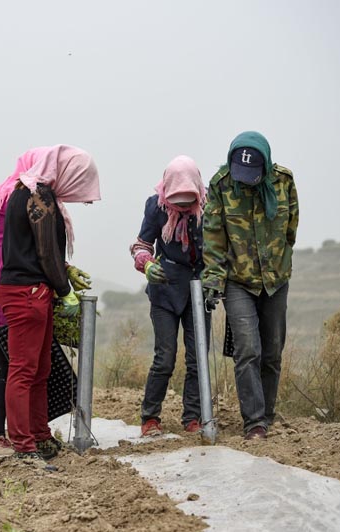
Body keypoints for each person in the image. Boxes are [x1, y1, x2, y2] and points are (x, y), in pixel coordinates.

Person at [0, 147, 94, 459]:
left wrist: (60, 278)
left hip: (30, 289)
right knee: (23, 370)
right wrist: (64, 288)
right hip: (27, 292)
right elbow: (45, 251)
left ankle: (40, 436)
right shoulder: (39, 196)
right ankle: (24, 445)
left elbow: (33, 248)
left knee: (40, 369)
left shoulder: (22, 191)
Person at [201, 131, 299, 440]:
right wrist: (214, 279)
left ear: (265, 166)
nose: (245, 180)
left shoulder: (283, 181)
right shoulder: (220, 185)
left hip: (275, 280)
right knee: (247, 349)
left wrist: (279, 261)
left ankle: (267, 413)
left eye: (252, 175)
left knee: (272, 351)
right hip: (238, 281)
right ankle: (254, 421)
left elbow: (291, 227)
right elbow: (214, 236)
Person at [129, 155, 208, 437]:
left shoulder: (209, 208)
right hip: (165, 287)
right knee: (165, 357)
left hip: (200, 288)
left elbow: (221, 245)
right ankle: (150, 418)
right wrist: (146, 263)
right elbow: (141, 244)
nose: (185, 208)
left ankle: (194, 417)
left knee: (198, 357)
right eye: (180, 203)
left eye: (189, 203)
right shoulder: (156, 206)